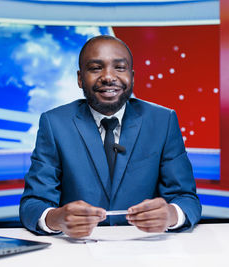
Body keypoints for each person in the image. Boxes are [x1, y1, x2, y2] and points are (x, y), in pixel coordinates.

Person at [20, 35, 201, 238]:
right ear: (80, 78)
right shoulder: (55, 123)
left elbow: (187, 199)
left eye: (119, 67)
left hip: (145, 247)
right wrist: (57, 218)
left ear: (132, 76)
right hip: (76, 250)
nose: (108, 76)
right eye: (96, 68)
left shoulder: (163, 121)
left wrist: (171, 215)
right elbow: (32, 205)